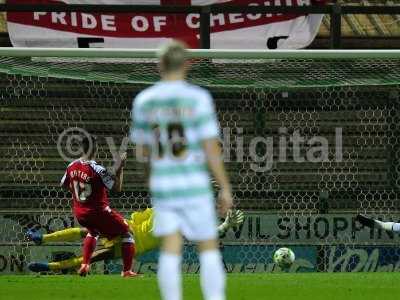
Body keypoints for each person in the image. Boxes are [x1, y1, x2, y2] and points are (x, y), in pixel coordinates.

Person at [130, 40, 233, 300]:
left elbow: (141, 153)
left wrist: (151, 181)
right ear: (187, 65)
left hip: (165, 185)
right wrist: (224, 188)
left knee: (171, 248)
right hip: (195, 183)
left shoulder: (145, 100)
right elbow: (212, 148)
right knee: (208, 247)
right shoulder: (198, 98)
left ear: (159, 65)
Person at [26, 209, 244, 273]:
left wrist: (225, 225)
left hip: (133, 245)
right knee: (88, 231)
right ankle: (42, 238)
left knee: (93, 257)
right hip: (128, 228)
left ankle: (49, 267)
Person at [60, 134, 136, 277]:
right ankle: (127, 271)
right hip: (98, 212)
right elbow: (117, 189)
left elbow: (63, 184)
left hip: (80, 213)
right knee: (127, 232)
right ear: (96, 149)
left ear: (81, 148)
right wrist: (120, 168)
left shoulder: (71, 166)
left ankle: (85, 265)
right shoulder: (98, 169)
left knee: (93, 232)